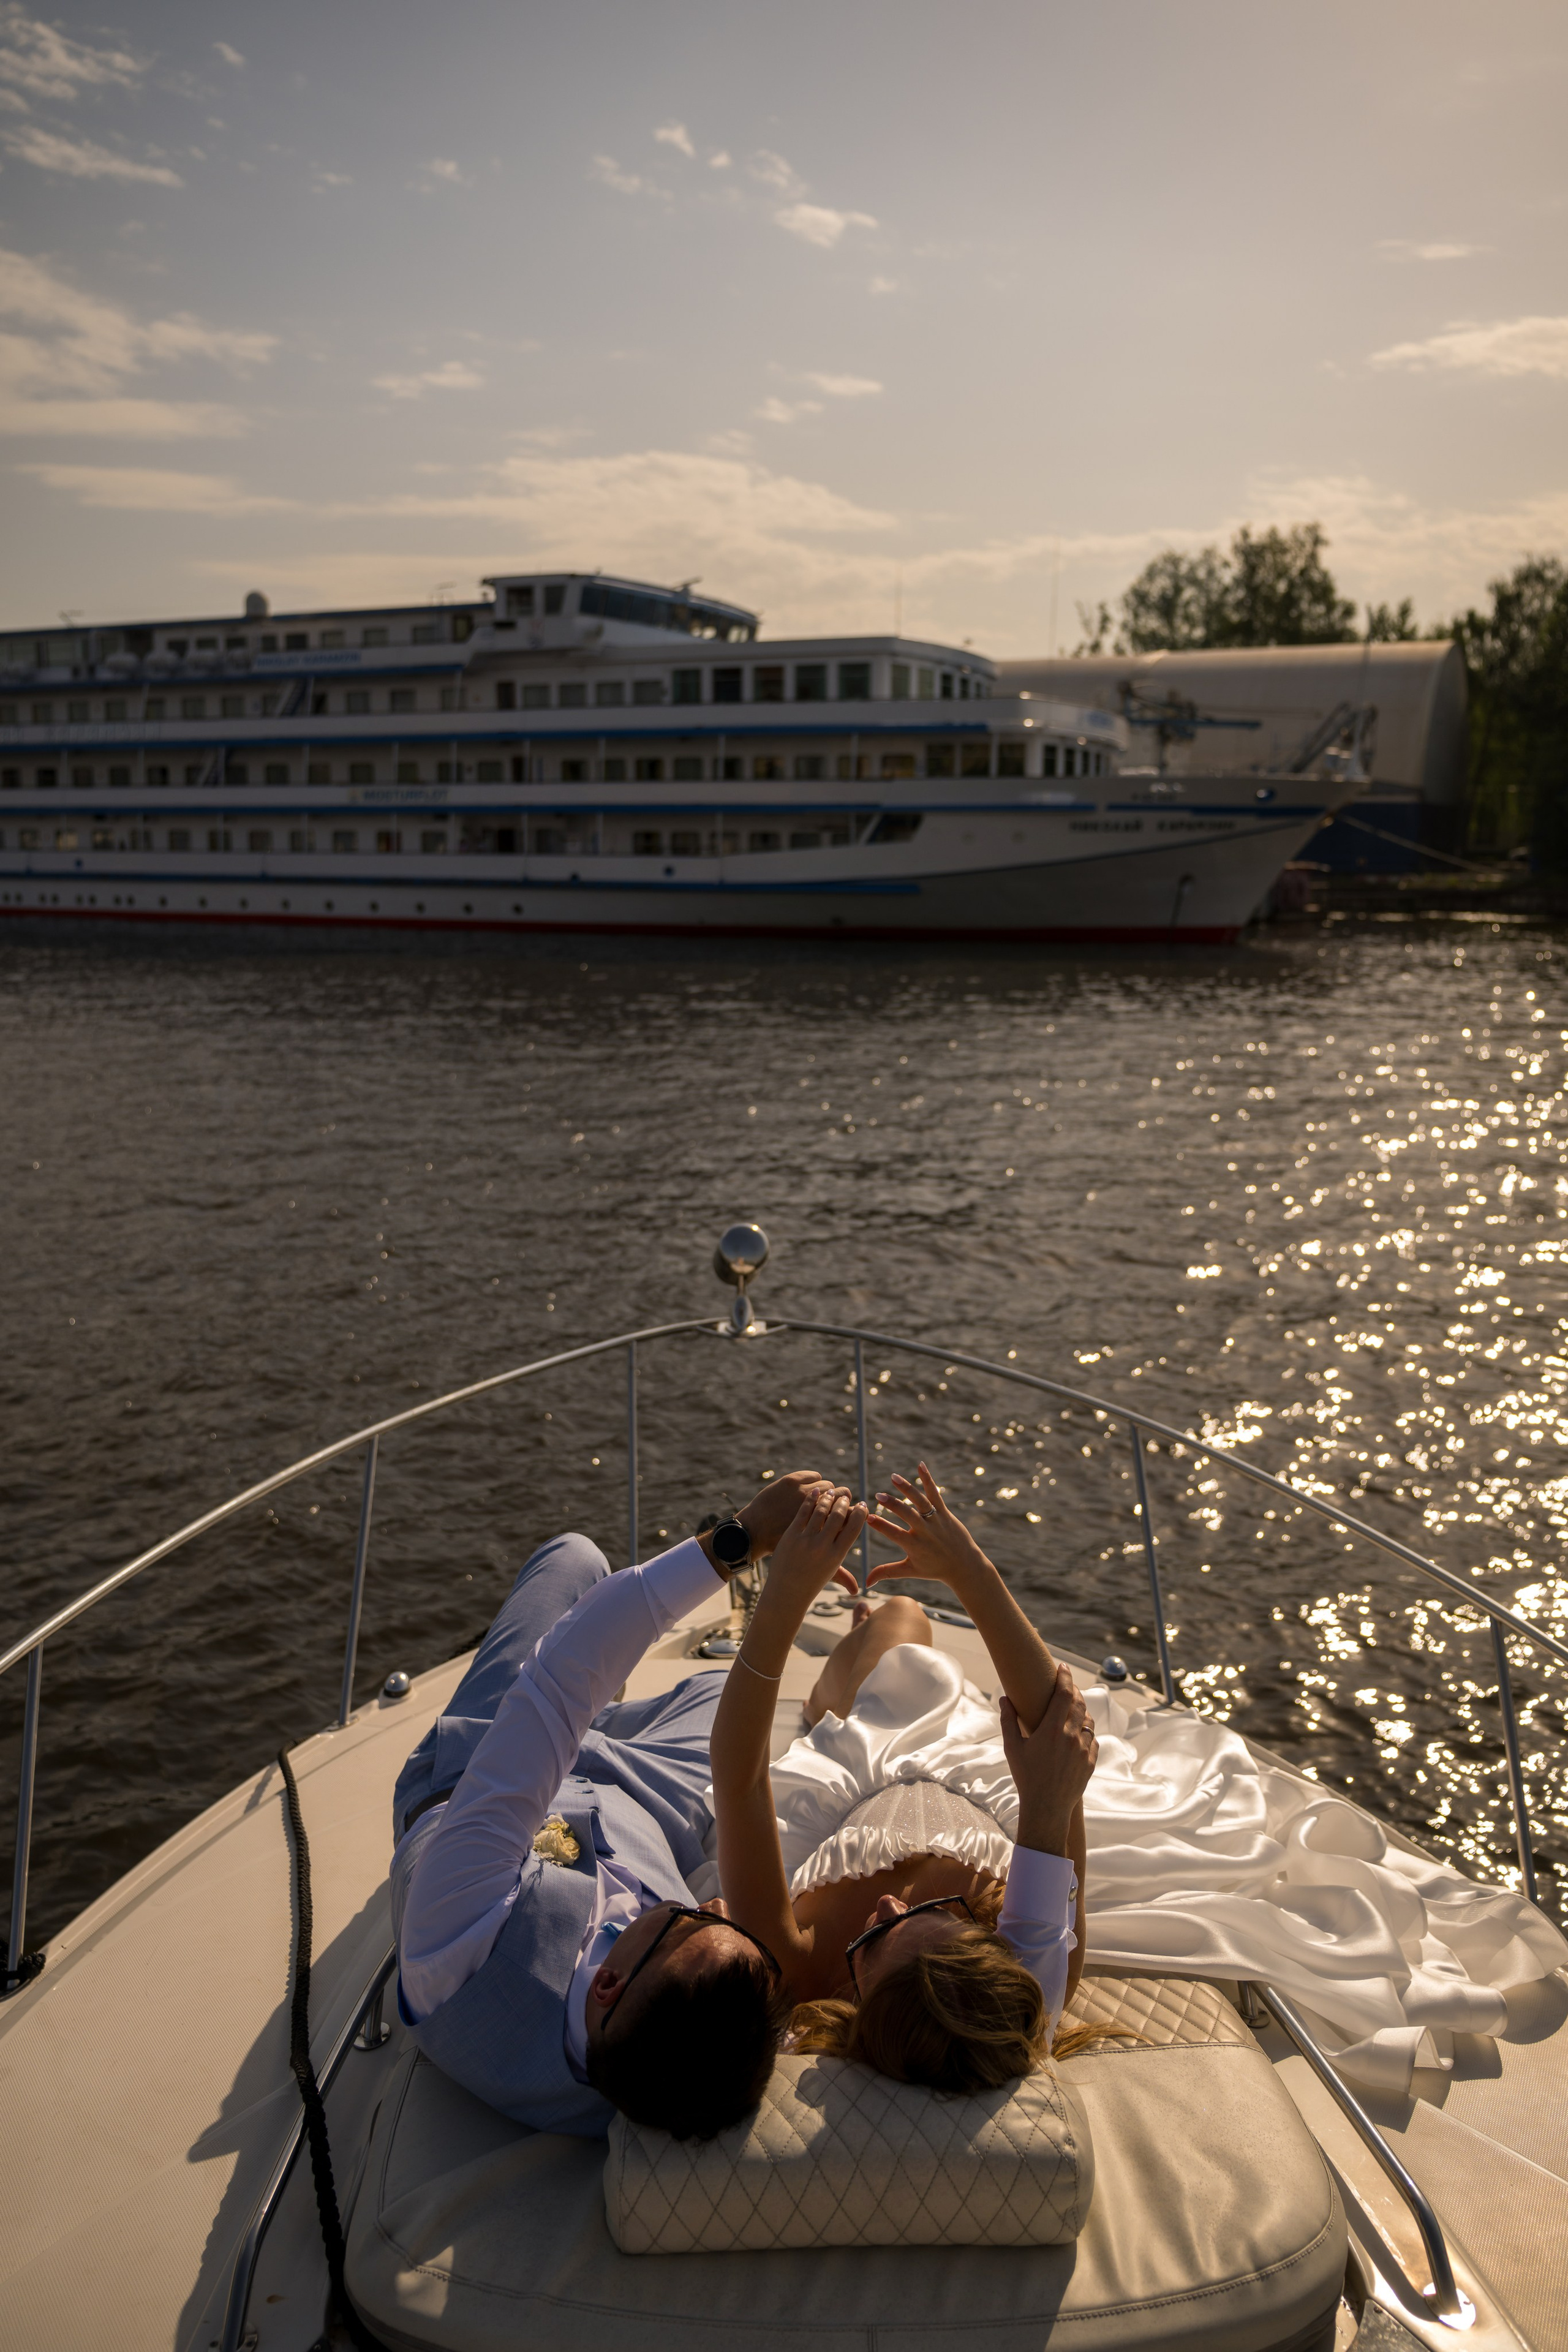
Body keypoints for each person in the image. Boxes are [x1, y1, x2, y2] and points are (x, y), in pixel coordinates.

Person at [388, 1471, 827, 2140]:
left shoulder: (459, 1934)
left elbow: (560, 1679)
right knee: (717, 1690)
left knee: (577, 1560)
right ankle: (600, 1724)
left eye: (686, 1919)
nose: (717, 1905)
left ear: (606, 1985)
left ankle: (590, 1721)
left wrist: (735, 1542)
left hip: (477, 1772)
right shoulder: (683, 2063)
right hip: (640, 1807)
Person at [710, 1464, 1100, 2095]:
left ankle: (832, 1699)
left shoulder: (800, 1968)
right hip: (976, 1780)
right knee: (909, 1620)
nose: (889, 1903)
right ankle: (850, 1672)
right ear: (990, 1954)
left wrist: (783, 1597)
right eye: (935, 1913)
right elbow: (1051, 1723)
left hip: (846, 1789)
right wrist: (967, 1568)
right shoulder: (1029, 1976)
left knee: (895, 1622)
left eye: (869, 1941)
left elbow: (738, 1777)